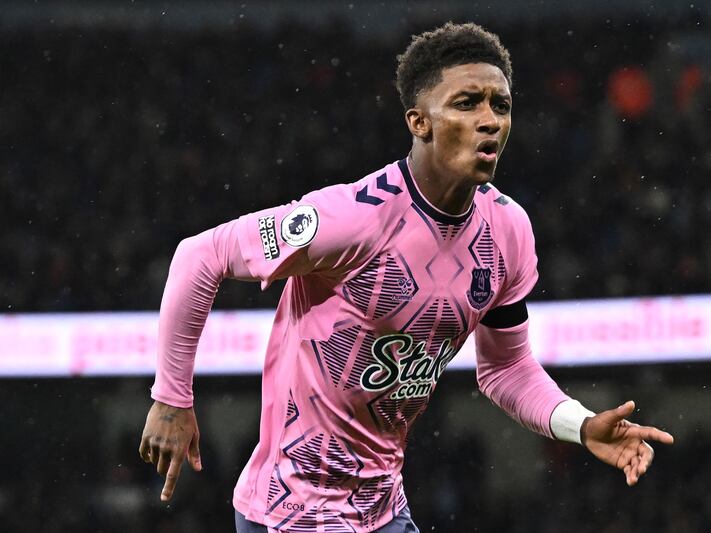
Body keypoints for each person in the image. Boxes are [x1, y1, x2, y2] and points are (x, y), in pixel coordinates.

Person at [139, 22, 674, 532]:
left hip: (383, 511)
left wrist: (579, 425)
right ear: (419, 122)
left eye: (501, 105)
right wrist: (172, 398)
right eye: (467, 103)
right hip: (290, 510)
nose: (490, 120)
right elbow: (198, 257)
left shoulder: (508, 231)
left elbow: (506, 368)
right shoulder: (350, 219)